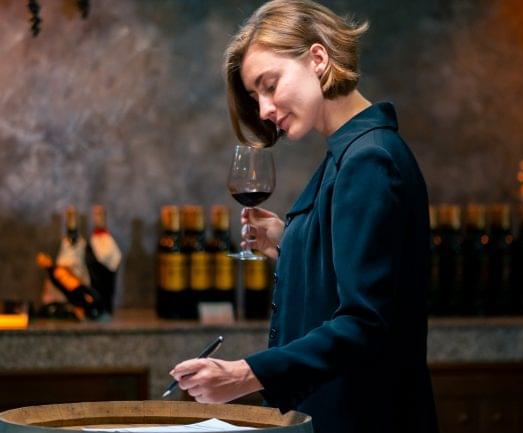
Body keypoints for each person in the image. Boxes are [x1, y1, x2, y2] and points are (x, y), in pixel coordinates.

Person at [169, 1, 439, 432]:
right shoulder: (352, 152)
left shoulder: (368, 160)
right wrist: (291, 240)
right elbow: (352, 270)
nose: (263, 110)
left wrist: (244, 373)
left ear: (317, 58)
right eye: (256, 96)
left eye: (269, 85)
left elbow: (365, 323)